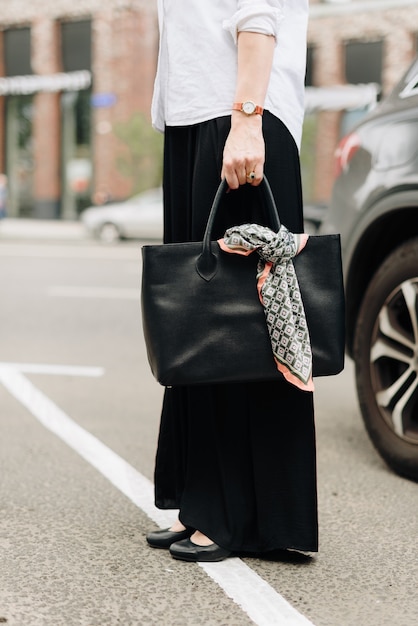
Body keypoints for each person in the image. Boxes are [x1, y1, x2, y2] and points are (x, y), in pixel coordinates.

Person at [146, 0, 317, 563]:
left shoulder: (242, 120)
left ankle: (237, 513)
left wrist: (246, 120)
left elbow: (258, 16)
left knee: (235, 324)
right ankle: (207, 502)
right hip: (198, 121)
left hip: (237, 119)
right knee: (205, 320)